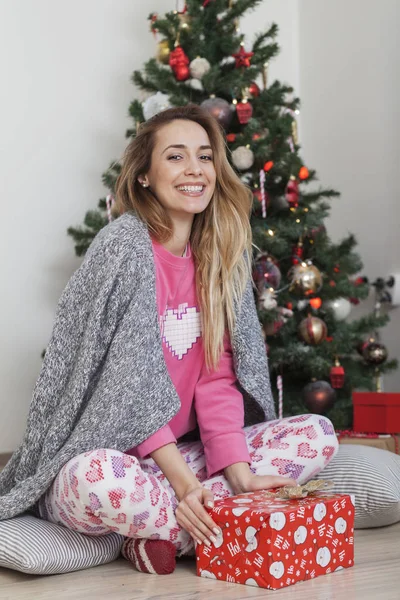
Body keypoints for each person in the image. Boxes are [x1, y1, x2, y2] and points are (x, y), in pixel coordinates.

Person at [0, 104, 338, 575]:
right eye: (176, 157)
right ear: (144, 175)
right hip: (115, 455)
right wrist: (183, 485)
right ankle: (202, 525)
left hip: (181, 457)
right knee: (95, 479)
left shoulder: (219, 256)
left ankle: (160, 531)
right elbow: (127, 385)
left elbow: (218, 380)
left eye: (204, 156)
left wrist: (238, 475)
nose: (195, 169)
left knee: (317, 436)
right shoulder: (126, 246)